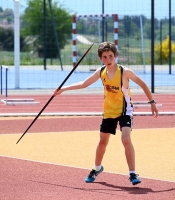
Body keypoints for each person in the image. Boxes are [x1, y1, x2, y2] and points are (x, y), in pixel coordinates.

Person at [53, 42, 159, 185]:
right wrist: (63, 89)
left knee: (126, 139)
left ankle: (132, 173)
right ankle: (96, 168)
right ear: (101, 59)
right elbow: (84, 84)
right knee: (102, 143)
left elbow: (143, 84)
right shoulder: (101, 71)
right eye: (105, 57)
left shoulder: (124, 72)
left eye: (110, 56)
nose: (108, 60)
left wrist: (152, 103)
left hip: (124, 111)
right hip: (108, 111)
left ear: (115, 56)